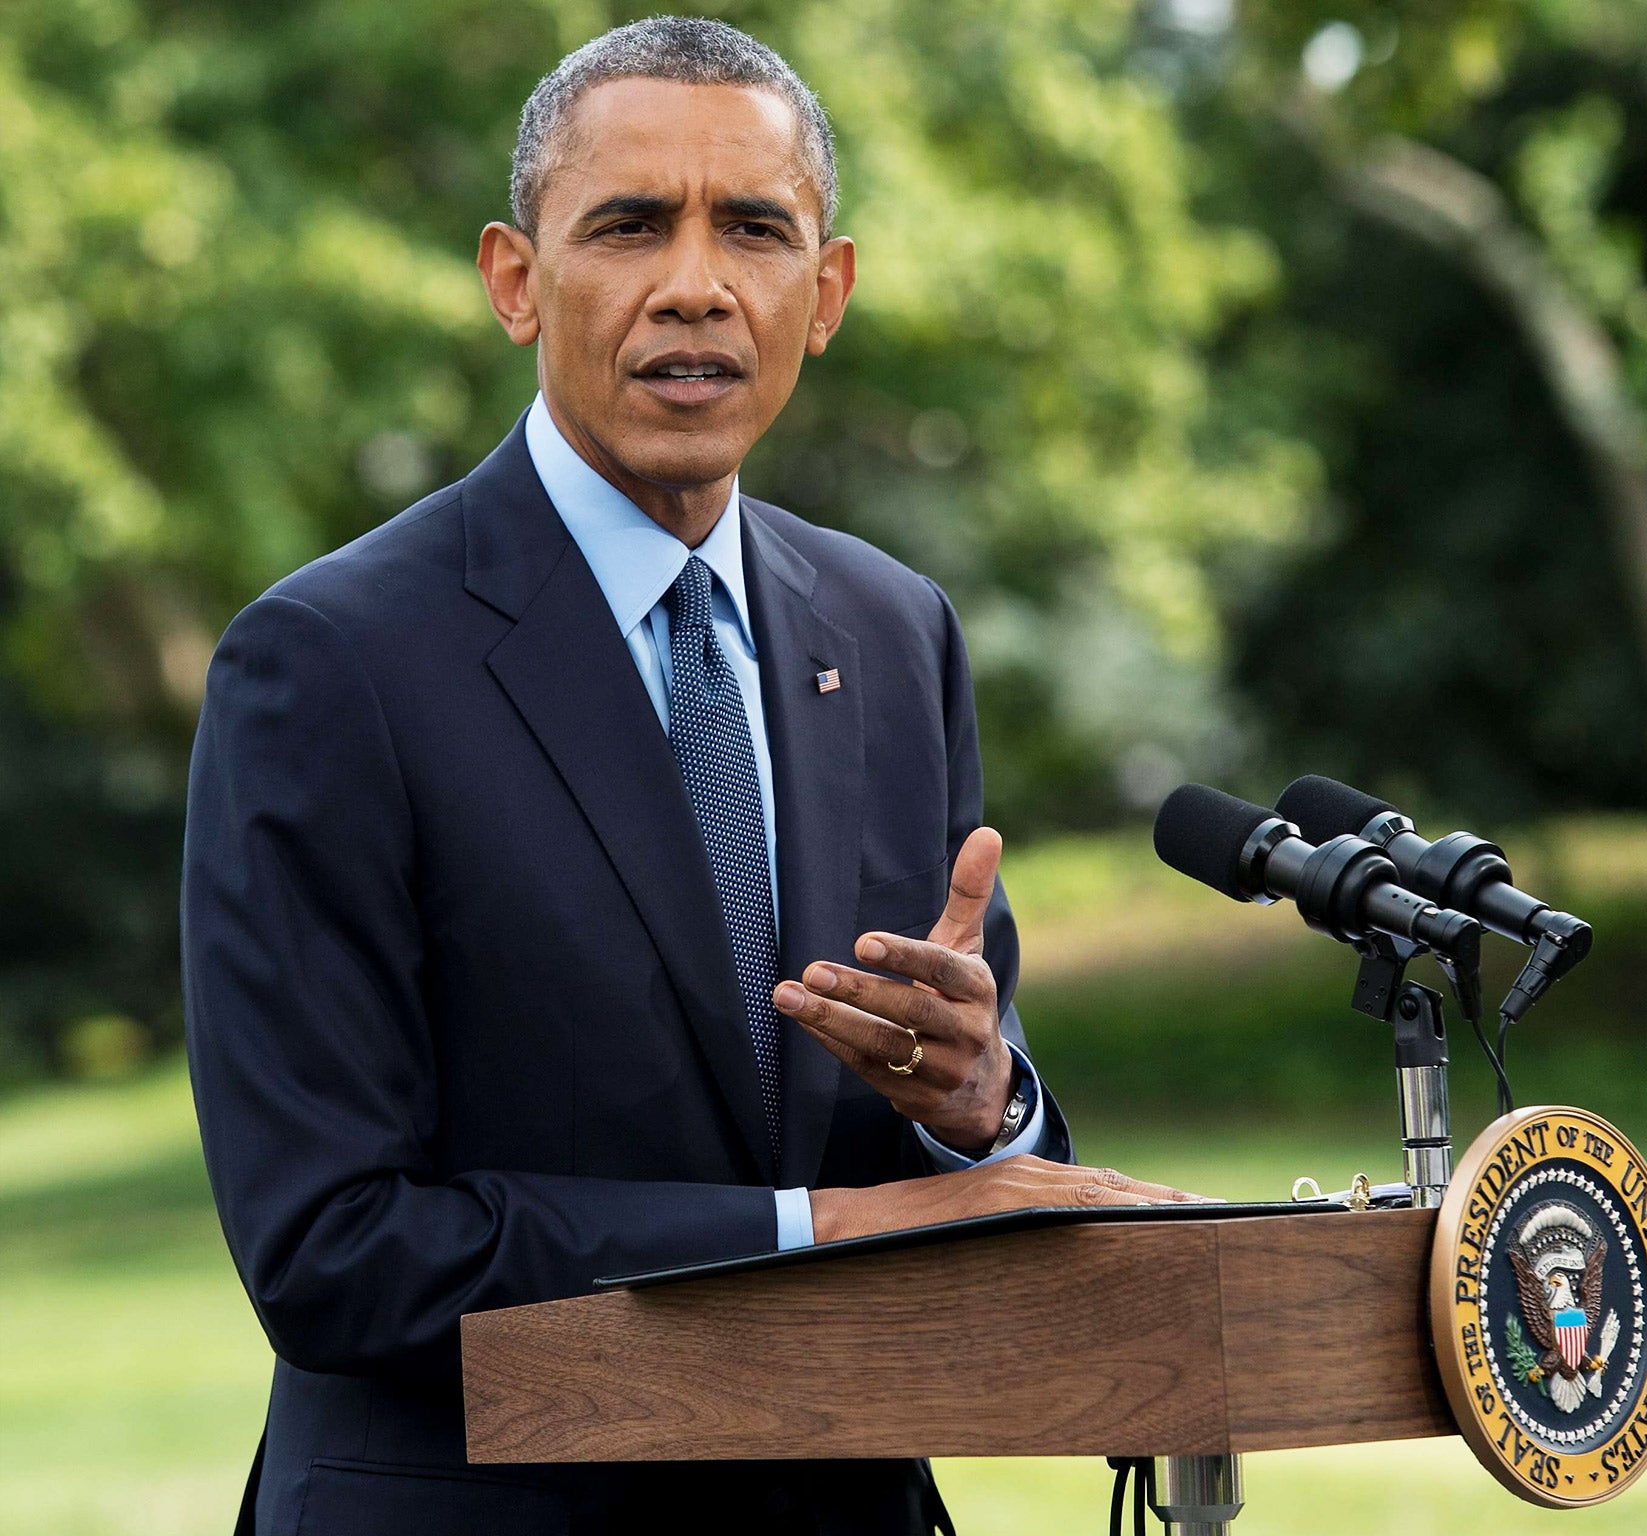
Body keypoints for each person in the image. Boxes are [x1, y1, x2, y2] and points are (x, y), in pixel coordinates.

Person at [181, 17, 1202, 1536]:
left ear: (827, 290)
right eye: (629, 225)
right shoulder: (330, 661)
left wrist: (979, 1114)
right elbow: (337, 1249)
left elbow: (964, 1147)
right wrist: (834, 1226)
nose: (695, 285)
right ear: (515, 281)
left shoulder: (894, 630)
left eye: (754, 230)